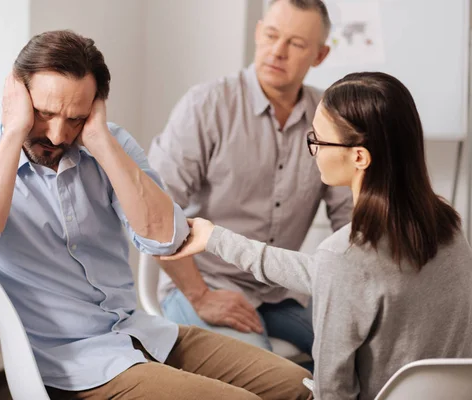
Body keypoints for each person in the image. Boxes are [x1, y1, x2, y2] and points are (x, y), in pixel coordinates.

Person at [0, 30, 312, 400]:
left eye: (75, 119)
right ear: (15, 94)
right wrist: (15, 131)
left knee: (300, 386)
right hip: (73, 366)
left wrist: (99, 140)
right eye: (43, 113)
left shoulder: (109, 145)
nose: (56, 135)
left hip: (142, 332)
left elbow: (165, 238)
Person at [160, 71, 472, 400]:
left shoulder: (345, 256)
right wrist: (215, 239)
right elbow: (338, 277)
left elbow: (332, 392)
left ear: (359, 156)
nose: (314, 151)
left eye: (318, 141)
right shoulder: (449, 227)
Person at [148, 0, 352, 362]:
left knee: (360, 350)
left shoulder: (328, 119)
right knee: (263, 372)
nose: (278, 51)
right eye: (272, 36)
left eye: (296, 44)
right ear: (258, 33)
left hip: (280, 290)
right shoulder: (206, 105)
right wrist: (200, 297)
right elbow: (154, 211)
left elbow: (351, 220)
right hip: (204, 283)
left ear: (319, 55)